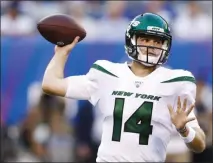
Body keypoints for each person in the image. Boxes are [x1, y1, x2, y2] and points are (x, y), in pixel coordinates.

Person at [42, 13, 206, 162]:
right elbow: (50, 84)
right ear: (131, 40)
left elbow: (200, 144)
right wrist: (61, 52)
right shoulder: (107, 73)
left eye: (157, 41)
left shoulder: (176, 82)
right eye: (145, 39)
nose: (152, 46)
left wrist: (184, 130)